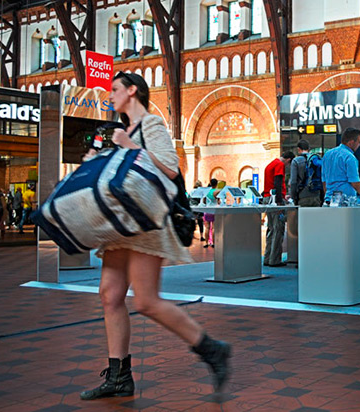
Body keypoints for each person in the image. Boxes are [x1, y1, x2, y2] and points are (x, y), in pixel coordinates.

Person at [79, 72, 230, 401]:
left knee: (146, 300)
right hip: (123, 223)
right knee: (109, 294)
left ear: (133, 91)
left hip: (147, 222)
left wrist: (129, 146)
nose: (112, 95)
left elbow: (170, 168)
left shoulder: (151, 125)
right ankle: (119, 375)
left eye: (116, 89)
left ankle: (212, 349)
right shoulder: (122, 130)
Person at [322, 128, 360, 206]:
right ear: (351, 142)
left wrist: (329, 197)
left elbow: (324, 181)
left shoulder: (327, 155)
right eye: (359, 142)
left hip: (328, 201)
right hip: (344, 203)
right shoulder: (349, 157)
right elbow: (355, 183)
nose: (359, 145)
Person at [263, 151, 295, 267]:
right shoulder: (279, 165)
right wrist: (280, 200)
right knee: (278, 229)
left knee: (271, 228)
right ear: (289, 160)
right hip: (275, 201)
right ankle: (275, 260)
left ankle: (267, 258)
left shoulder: (270, 164)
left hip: (267, 198)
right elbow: (277, 181)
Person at [288, 140, 323, 207]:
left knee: (304, 217)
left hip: (303, 196)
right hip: (316, 195)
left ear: (298, 149)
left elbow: (293, 182)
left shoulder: (296, 161)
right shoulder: (315, 159)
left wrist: (293, 197)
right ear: (309, 149)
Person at [203, 179, 219, 248]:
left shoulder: (207, 191)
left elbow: (204, 201)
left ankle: (206, 243)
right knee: (213, 228)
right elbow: (218, 202)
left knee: (207, 227)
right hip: (214, 210)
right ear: (216, 184)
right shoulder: (216, 191)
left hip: (207, 210)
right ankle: (213, 243)